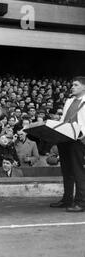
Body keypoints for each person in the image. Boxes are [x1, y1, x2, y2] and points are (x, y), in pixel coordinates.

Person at [50, 76, 85, 212]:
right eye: (72, 85)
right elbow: (64, 119)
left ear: (84, 87)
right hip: (65, 138)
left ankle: (81, 202)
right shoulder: (69, 101)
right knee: (67, 171)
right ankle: (67, 199)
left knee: (78, 171)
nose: (72, 87)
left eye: (76, 85)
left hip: (79, 139)